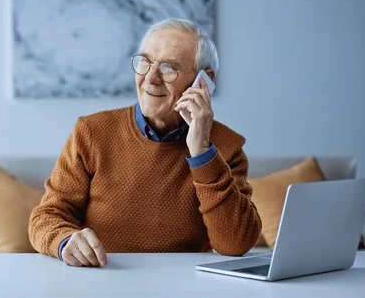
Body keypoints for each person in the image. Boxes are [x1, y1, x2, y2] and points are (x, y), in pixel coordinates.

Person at [28, 18, 261, 267]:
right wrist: (65, 241)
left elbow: (235, 243)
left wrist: (202, 151)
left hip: (185, 288)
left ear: (203, 80)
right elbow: (46, 216)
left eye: (169, 67)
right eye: (145, 62)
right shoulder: (92, 132)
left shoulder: (226, 146)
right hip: (102, 281)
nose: (151, 78)